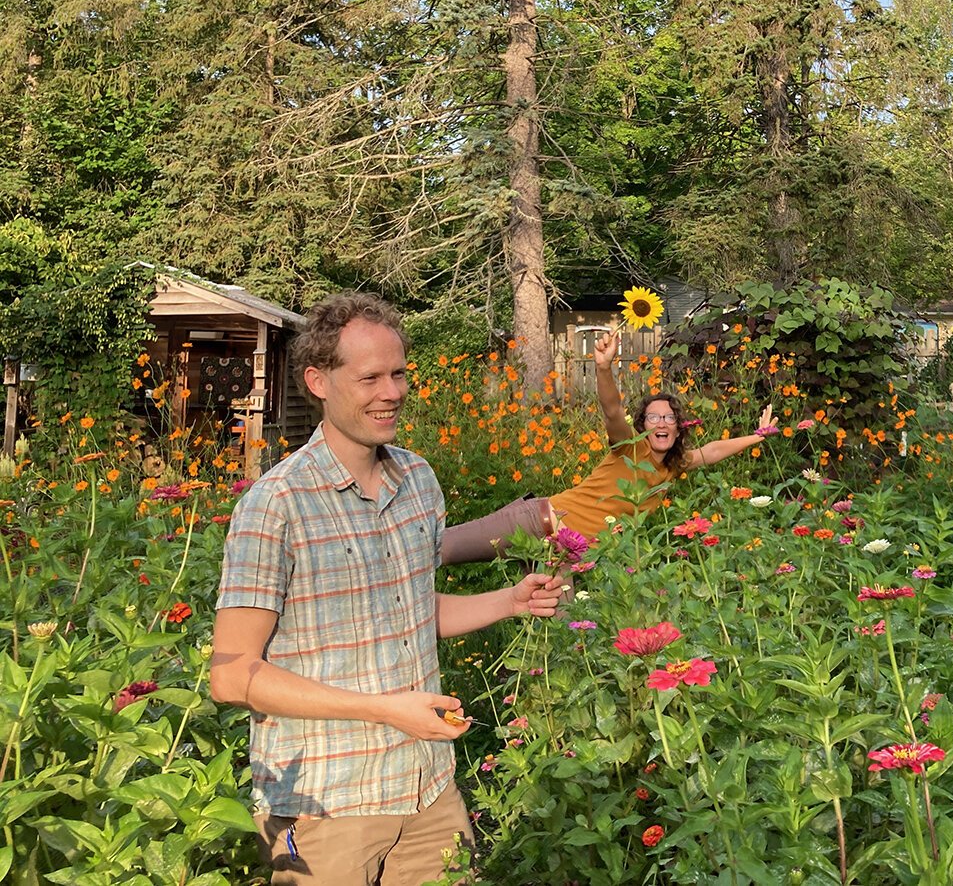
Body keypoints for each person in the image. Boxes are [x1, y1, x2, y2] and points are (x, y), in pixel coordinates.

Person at [210, 293, 569, 885]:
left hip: (429, 790)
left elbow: (408, 612)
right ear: (318, 381)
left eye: (399, 373)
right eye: (370, 377)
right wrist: (384, 712)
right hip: (325, 804)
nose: (393, 391)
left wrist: (510, 601)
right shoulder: (276, 505)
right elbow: (231, 674)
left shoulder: (418, 480)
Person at [440, 326, 776, 565]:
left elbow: (711, 451)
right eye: (653, 418)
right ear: (642, 426)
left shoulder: (673, 466)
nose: (661, 423)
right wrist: (603, 367)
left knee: (561, 634)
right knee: (442, 549)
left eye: (669, 418)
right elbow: (613, 409)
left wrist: (757, 436)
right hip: (535, 522)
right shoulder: (629, 449)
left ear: (678, 428)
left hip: (565, 554)